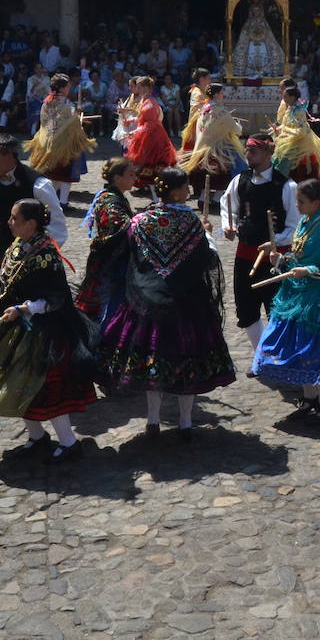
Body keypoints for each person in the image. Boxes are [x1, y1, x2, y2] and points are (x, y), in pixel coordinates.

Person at [100, 168, 235, 438]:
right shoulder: (190, 222)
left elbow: (128, 254)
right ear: (174, 191)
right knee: (188, 366)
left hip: (147, 303)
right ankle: (185, 422)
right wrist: (207, 234)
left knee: (153, 361)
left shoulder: (139, 221)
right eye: (185, 187)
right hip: (187, 303)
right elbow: (206, 260)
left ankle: (153, 420)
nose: (189, 191)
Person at [0, 198, 99, 461]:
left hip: (45, 333)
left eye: (15, 218)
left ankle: (69, 442)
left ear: (31, 223)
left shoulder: (46, 255)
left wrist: (25, 309)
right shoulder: (16, 247)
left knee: (47, 388)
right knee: (17, 385)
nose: (9, 222)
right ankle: (37, 437)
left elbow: (55, 299)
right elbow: (9, 285)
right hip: (18, 329)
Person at [252, 178, 320, 423]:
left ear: (316, 202)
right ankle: (309, 397)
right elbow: (297, 255)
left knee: (311, 351)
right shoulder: (305, 221)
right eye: (297, 201)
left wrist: (308, 270)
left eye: (301, 202)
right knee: (296, 349)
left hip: (317, 302)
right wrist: (280, 259)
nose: (297, 206)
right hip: (296, 294)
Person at [221, 134, 299, 352]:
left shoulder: (286, 186)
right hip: (245, 254)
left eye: (253, 151)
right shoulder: (239, 180)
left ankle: (279, 354)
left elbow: (295, 226)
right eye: (246, 150)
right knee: (246, 308)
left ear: (268, 153)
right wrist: (229, 225)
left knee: (277, 308)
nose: (247, 155)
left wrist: (277, 242)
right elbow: (228, 206)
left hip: (276, 258)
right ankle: (260, 355)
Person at [0, 133, 67, 284]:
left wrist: (40, 253)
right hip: (1, 255)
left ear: (9, 156)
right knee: (0, 300)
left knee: (30, 304)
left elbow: (57, 224)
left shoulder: (38, 185)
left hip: (32, 259)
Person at [75, 157, 137, 326]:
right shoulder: (111, 203)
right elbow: (120, 230)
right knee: (105, 308)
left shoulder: (109, 196)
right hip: (108, 265)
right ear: (117, 178)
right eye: (130, 174)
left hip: (104, 261)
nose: (135, 178)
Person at [24, 74, 97, 207]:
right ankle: (62, 202)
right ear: (62, 88)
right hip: (64, 142)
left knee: (53, 174)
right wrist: (76, 117)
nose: (69, 88)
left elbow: (46, 120)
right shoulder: (64, 102)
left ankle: (52, 200)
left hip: (48, 140)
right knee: (64, 174)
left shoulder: (47, 100)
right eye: (68, 86)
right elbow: (69, 121)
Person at [182, 83, 247, 193]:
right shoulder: (221, 112)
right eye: (221, 93)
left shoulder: (202, 110)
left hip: (201, 148)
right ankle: (228, 192)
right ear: (216, 94)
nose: (223, 95)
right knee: (240, 163)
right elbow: (236, 130)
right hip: (218, 148)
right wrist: (238, 124)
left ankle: (203, 196)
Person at [123, 75, 178, 193]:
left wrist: (134, 132)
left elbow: (150, 124)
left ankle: (157, 197)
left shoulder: (149, 103)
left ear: (144, 87)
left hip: (153, 138)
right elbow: (144, 119)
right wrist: (132, 121)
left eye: (138, 86)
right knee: (152, 170)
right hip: (151, 136)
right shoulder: (146, 100)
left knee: (152, 169)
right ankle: (156, 197)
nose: (136, 88)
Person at [271, 84, 320, 181]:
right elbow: (287, 124)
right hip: (291, 137)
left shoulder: (298, 111)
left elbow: (300, 130)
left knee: (290, 160)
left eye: (285, 96)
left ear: (292, 97)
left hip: (299, 140)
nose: (283, 98)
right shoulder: (291, 108)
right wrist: (279, 128)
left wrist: (285, 132)